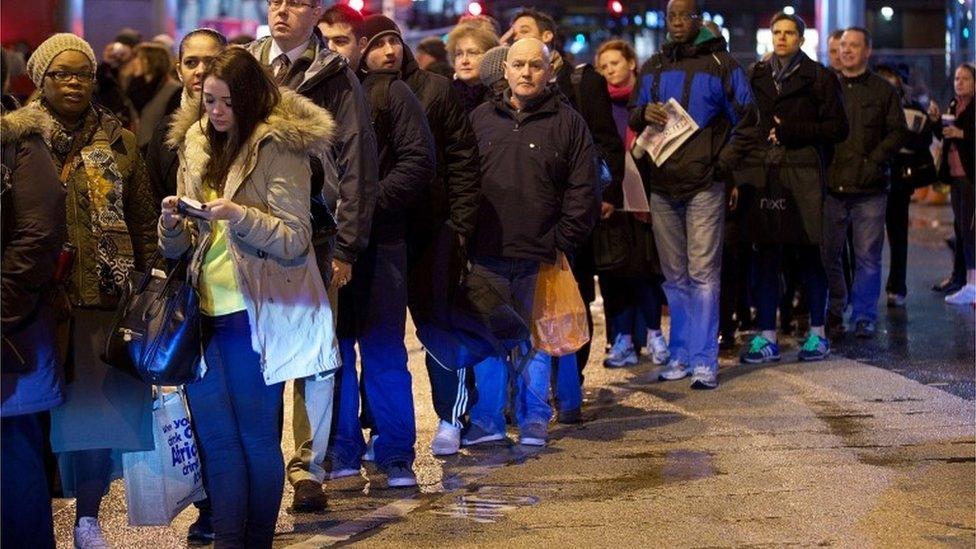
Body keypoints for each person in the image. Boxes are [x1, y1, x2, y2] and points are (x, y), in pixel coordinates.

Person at [159, 47, 339, 547]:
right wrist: (172, 223)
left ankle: (257, 538)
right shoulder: (194, 141)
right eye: (207, 100)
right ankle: (228, 539)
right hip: (201, 313)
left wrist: (238, 216)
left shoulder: (278, 145)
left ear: (251, 99)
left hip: (255, 312)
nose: (214, 112)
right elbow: (178, 248)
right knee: (215, 441)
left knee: (256, 438)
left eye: (226, 103)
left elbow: (294, 237)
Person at [24, 33, 158, 549]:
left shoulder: (119, 140)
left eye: (84, 72)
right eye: (63, 73)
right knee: (38, 418)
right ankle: (30, 515)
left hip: (104, 299)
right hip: (39, 302)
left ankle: (88, 518)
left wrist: (146, 287)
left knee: (96, 421)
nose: (75, 82)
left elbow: (142, 220)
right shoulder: (19, 139)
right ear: (41, 79)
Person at [246, 0, 378, 513]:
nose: (281, 11)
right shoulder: (246, 65)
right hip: (248, 232)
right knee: (256, 353)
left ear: (316, 11)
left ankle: (308, 470)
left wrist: (348, 245)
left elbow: (356, 165)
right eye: (275, 1)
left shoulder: (336, 75)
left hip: (316, 236)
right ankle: (260, 466)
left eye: (295, 2)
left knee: (315, 359)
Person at [321, 6, 436, 488]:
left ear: (360, 46)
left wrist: (365, 205)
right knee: (335, 352)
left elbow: (418, 161)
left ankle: (394, 453)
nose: (333, 49)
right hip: (323, 244)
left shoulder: (389, 92)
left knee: (385, 349)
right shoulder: (307, 95)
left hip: (381, 241)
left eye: (343, 40)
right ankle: (343, 448)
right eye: (324, 40)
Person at [464, 37, 599, 447]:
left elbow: (584, 187)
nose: (525, 73)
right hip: (486, 253)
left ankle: (533, 419)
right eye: (518, 65)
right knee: (488, 342)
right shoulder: (479, 119)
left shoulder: (568, 122)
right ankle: (487, 422)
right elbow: (462, 180)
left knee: (535, 342)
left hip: (539, 253)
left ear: (549, 72)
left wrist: (562, 239)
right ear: (505, 70)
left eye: (534, 66)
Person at [357, 14, 481, 457]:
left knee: (437, 326)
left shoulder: (434, 88)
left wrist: (462, 223)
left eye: (393, 40)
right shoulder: (354, 93)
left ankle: (451, 417)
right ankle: (377, 426)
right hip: (381, 233)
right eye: (377, 43)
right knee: (380, 337)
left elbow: (463, 158)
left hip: (432, 229)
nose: (388, 50)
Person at [629, 0, 756, 389]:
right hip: (663, 186)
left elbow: (748, 121)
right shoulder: (653, 65)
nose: (678, 22)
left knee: (702, 276)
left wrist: (720, 165)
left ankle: (704, 359)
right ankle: (682, 354)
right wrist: (641, 115)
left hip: (704, 186)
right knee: (675, 277)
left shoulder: (722, 65)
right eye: (672, 16)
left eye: (685, 15)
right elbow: (636, 114)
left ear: (699, 19)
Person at [508, 7, 625, 422]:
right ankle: (543, 400)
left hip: (563, 221)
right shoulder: (500, 105)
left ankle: (567, 396)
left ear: (547, 40)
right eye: (516, 60)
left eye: (523, 34)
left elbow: (603, 145)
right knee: (538, 314)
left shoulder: (581, 83)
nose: (525, 69)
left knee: (563, 308)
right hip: (525, 228)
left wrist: (596, 201)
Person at [143, 27, 227, 545]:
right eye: (191, 63)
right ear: (179, 70)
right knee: (196, 405)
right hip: (187, 287)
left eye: (209, 62)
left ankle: (233, 505)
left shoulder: (246, 123)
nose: (199, 71)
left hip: (239, 289)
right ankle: (212, 505)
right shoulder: (163, 130)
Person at [737, 12, 848, 364]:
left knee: (810, 254)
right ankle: (766, 336)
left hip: (804, 174)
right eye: (777, 32)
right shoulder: (756, 75)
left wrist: (791, 130)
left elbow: (837, 128)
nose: (781, 38)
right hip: (766, 172)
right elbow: (743, 120)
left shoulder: (819, 77)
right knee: (766, 255)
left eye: (789, 33)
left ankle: (817, 333)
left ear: (800, 38)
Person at [1, 48, 66, 549]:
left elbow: (39, 235)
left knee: (14, 455)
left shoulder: (21, 143)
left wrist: (1, 308)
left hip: (11, 333)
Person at [821, 27, 908, 338]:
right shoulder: (827, 86)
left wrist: (874, 161)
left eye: (854, 46)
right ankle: (836, 306)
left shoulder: (883, 91)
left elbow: (898, 131)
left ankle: (864, 315)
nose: (846, 51)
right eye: (843, 45)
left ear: (867, 51)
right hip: (832, 186)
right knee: (828, 253)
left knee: (867, 256)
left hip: (870, 188)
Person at [594, 39, 669, 368]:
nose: (610, 69)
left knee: (644, 271)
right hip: (612, 200)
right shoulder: (598, 104)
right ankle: (621, 338)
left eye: (615, 63)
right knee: (615, 274)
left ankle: (654, 334)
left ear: (632, 64)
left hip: (645, 200)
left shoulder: (647, 102)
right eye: (604, 66)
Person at [876, 64, 936, 308]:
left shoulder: (913, 109)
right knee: (864, 240)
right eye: (883, 78)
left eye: (891, 78)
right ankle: (860, 292)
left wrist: (895, 142)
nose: (888, 82)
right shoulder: (868, 106)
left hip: (899, 180)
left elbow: (923, 139)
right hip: (871, 179)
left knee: (898, 236)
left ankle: (896, 286)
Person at [930, 63, 975, 305]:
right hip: (955, 175)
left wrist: (963, 135)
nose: (959, 82)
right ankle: (961, 278)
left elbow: (965, 134)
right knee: (960, 227)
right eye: (957, 78)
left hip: (970, 175)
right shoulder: (953, 106)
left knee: (970, 228)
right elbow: (944, 136)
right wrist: (938, 121)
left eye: (965, 78)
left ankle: (972, 283)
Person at [128, 42, 182, 148]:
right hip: (139, 150)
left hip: (157, 151)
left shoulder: (174, 89)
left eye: (139, 58)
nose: (134, 62)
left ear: (152, 61)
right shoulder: (137, 87)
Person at [447, 23, 499, 115]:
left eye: (472, 53)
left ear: (489, 56)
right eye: (459, 54)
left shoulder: (500, 97)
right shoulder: (445, 95)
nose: (464, 61)